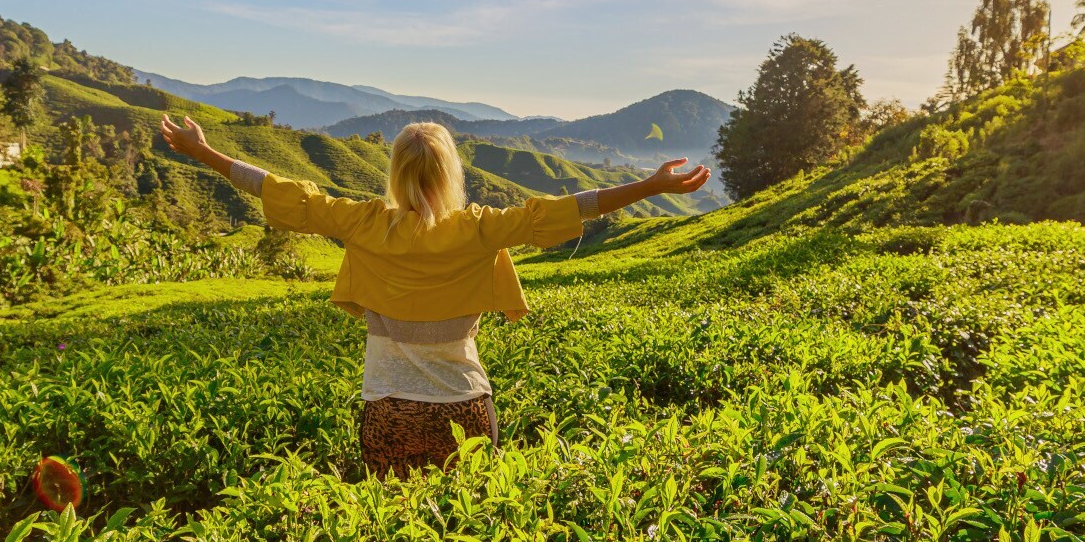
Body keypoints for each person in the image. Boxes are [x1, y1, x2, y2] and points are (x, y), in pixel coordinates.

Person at [159, 114, 711, 476]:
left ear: (395, 172)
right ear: (451, 173)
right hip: (465, 409)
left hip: (387, 409)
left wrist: (203, 151)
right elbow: (567, 209)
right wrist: (650, 186)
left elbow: (283, 193)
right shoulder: (478, 227)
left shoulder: (363, 222)